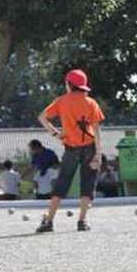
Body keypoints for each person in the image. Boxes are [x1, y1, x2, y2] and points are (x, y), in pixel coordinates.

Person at [35, 69, 105, 233]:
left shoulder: (61, 101)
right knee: (87, 185)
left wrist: (56, 134)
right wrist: (98, 154)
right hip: (89, 148)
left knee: (62, 184)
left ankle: (49, 221)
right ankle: (82, 221)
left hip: (71, 149)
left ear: (69, 84)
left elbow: (42, 117)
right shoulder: (91, 103)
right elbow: (96, 129)